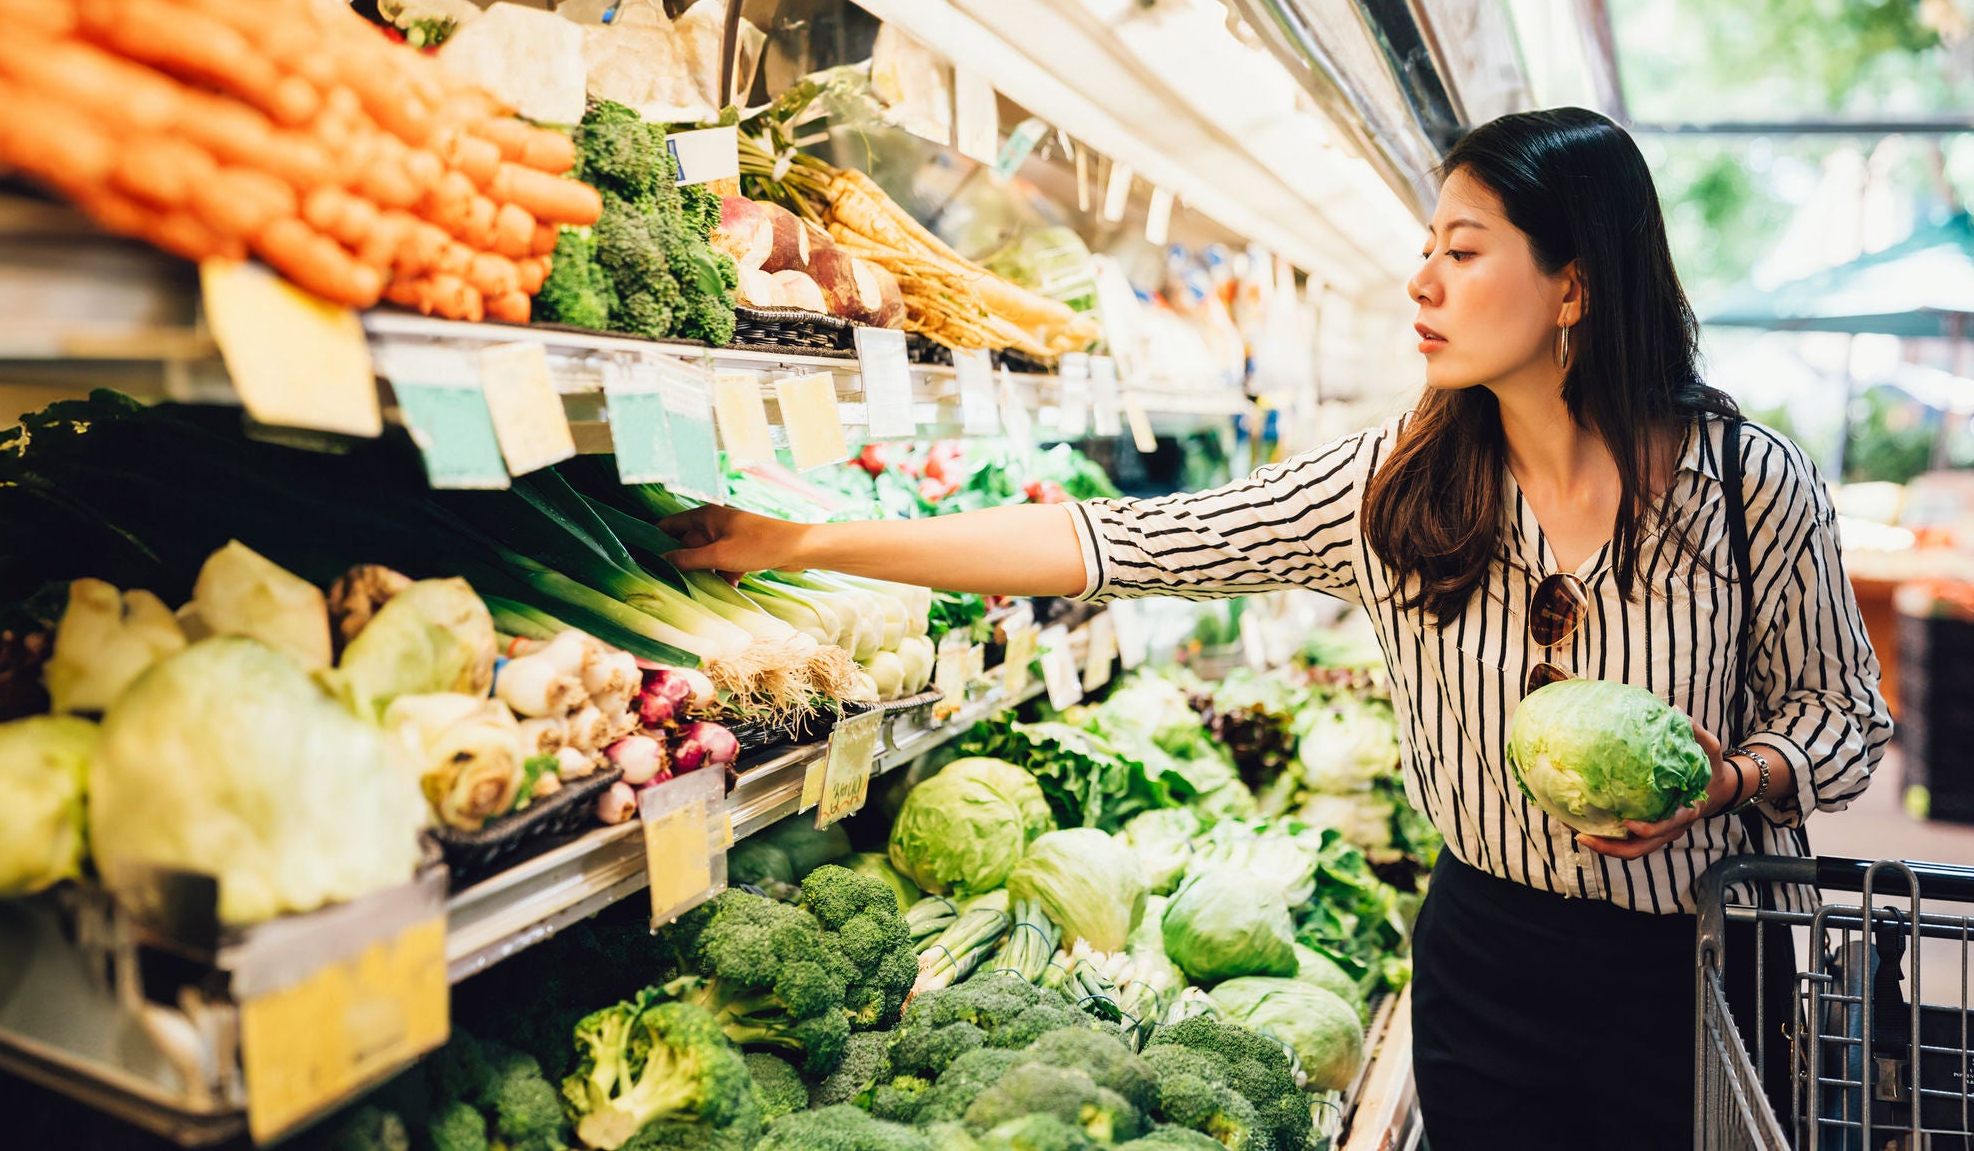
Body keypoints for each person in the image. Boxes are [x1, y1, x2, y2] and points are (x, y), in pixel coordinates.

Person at [660, 107, 1892, 1148]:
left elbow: (1842, 719)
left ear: (1572, 283)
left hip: (1695, 977)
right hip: (1488, 960)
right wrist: (799, 543)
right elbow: (1111, 544)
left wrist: (1728, 775)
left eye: (1462, 252)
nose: (1420, 283)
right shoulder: (1393, 492)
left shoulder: (1744, 487)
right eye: (1425, 248)